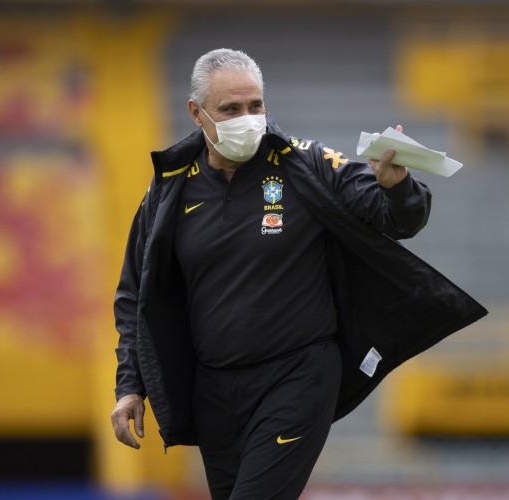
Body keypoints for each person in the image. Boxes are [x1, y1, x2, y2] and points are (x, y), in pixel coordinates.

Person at [111, 48, 486, 499]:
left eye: (256, 106)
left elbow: (398, 219)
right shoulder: (169, 188)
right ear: (197, 113)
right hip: (214, 391)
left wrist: (397, 185)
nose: (247, 118)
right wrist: (130, 385)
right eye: (230, 109)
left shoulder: (305, 164)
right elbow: (136, 292)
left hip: (297, 377)